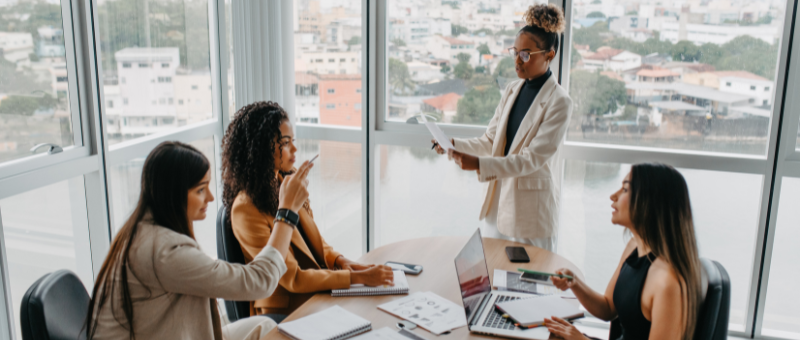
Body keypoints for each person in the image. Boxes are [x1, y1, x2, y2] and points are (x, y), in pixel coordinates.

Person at [84, 141, 314, 340]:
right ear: (173, 194)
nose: (211, 198)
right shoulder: (164, 252)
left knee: (265, 326)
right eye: (201, 190)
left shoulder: (143, 229)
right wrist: (286, 213)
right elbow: (260, 281)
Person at [221, 101, 394, 320]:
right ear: (260, 149)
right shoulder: (245, 209)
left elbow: (315, 243)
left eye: (293, 140)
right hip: (284, 311)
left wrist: (341, 261)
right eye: (284, 143)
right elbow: (293, 278)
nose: (294, 149)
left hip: (313, 293)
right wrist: (355, 279)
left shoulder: (285, 181)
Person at [434, 4, 572, 250]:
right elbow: (490, 141)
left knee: (528, 283)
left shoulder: (560, 102)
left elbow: (530, 160)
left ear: (549, 55)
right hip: (497, 206)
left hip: (531, 215)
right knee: (492, 274)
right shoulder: (512, 89)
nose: (518, 61)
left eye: (526, 54)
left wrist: (478, 164)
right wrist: (452, 144)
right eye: (515, 52)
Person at [545, 163, 703, 340]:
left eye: (625, 189)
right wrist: (574, 282)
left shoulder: (668, 282)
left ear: (650, 201)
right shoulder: (634, 246)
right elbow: (607, 309)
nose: (613, 196)